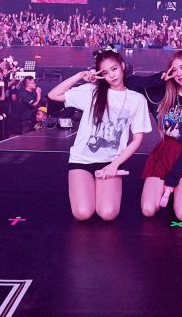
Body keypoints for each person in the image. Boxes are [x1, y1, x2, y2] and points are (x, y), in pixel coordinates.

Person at [46, 48, 151, 221]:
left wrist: (114, 165)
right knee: (83, 213)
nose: (112, 75)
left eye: (114, 69)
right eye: (105, 72)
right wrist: (80, 75)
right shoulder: (91, 92)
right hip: (81, 161)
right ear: (100, 75)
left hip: (110, 163)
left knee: (107, 213)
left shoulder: (136, 99)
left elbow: (137, 140)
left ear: (122, 66)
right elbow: (53, 95)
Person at [127, 50, 182, 221]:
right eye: (174, 69)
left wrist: (173, 178)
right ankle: (177, 192)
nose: (179, 73)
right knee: (148, 210)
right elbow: (129, 82)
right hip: (162, 154)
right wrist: (160, 78)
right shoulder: (162, 92)